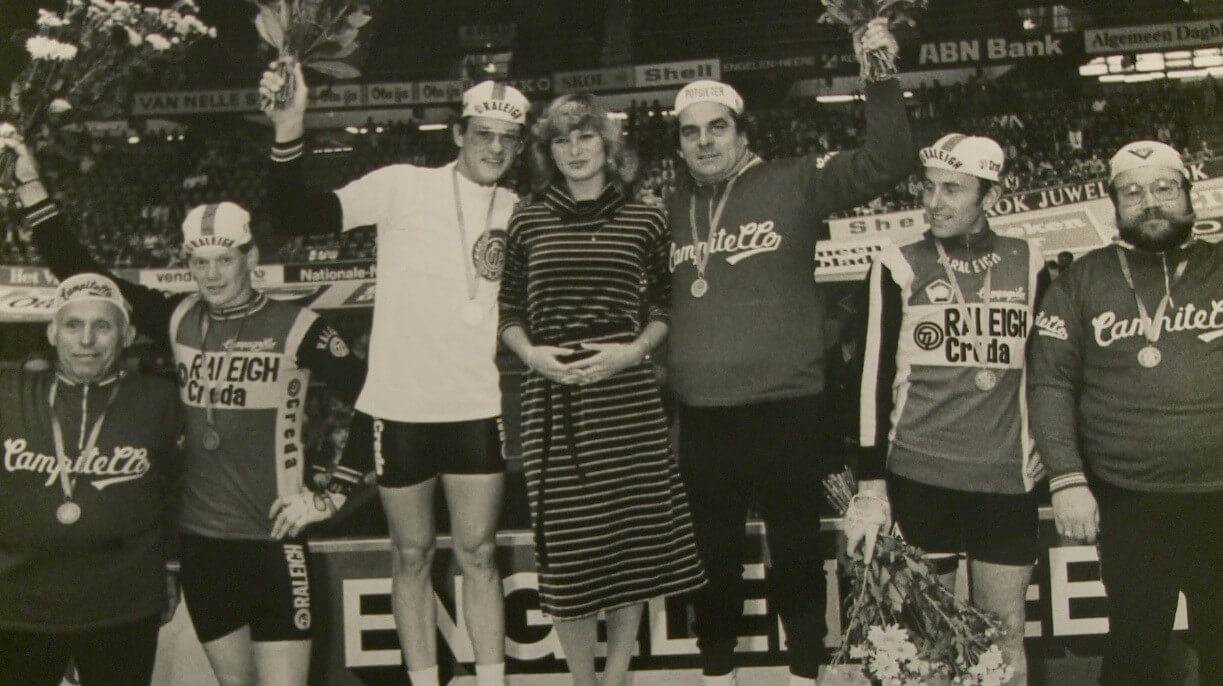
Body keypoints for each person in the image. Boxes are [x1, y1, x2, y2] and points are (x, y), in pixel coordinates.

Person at [9, 137, 369, 686]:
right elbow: (80, 269)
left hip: (275, 542)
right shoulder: (176, 317)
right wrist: (31, 186)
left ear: (251, 258)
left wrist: (334, 492)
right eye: (199, 261)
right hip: (203, 546)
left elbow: (377, 396)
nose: (213, 274)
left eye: (225, 259)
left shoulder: (299, 325)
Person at [261, 63, 529, 686]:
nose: (494, 147)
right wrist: (289, 125)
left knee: (481, 555)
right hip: (399, 411)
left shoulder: (521, 210)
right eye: (482, 133)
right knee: (410, 556)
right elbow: (297, 213)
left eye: (507, 138)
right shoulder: (401, 185)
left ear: (518, 146)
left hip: (473, 407)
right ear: (458, 134)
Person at [664, 18, 914, 686]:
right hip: (704, 413)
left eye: (716, 127)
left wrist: (879, 74)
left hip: (787, 406)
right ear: (679, 144)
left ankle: (807, 671)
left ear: (741, 132)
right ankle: (716, 672)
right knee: (708, 556)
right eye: (690, 131)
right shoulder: (666, 205)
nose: (704, 141)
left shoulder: (796, 180)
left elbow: (888, 161)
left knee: (796, 551)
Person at [498, 93, 706, 686]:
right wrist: (533, 355)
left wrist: (633, 351)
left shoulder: (646, 215)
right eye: (561, 141)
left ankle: (616, 678)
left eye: (586, 137)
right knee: (569, 552)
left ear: (609, 146)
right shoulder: (528, 216)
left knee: (629, 541)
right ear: (547, 152)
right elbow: (508, 308)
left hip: (627, 393)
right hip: (553, 393)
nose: (575, 151)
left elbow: (666, 305)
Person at [849, 134, 1048, 684]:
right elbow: (870, 380)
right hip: (919, 474)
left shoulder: (1030, 260)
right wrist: (870, 484)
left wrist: (1050, 451)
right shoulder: (896, 261)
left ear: (991, 195)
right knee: (924, 634)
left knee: (1004, 627)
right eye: (928, 187)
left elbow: (1048, 374)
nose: (934, 201)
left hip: (1004, 478)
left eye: (953, 190)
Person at [1027, 140, 1222, 686]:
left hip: (1221, 497)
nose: (1150, 202)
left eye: (1164, 188)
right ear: (1113, 203)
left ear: (1188, 194)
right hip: (1129, 498)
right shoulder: (1081, 279)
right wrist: (1066, 478)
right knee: (1135, 648)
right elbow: (1049, 382)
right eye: (1132, 192)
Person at [0, 274, 181, 686]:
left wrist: (171, 563)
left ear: (127, 335)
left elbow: (178, 484)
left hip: (123, 605)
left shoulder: (157, 398)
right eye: (72, 325)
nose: (86, 340)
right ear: (51, 332)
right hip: (20, 607)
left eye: (102, 326)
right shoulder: (9, 391)